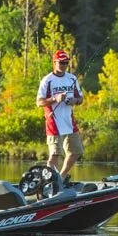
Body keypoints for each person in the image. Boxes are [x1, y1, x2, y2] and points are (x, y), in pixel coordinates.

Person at [37, 50, 85, 179]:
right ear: (54, 62)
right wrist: (55, 98)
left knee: (76, 151)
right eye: (61, 62)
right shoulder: (47, 80)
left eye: (66, 62)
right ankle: (47, 181)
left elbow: (80, 98)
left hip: (69, 121)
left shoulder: (72, 78)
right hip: (53, 122)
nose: (63, 65)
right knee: (54, 154)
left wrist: (76, 101)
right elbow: (39, 102)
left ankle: (61, 178)